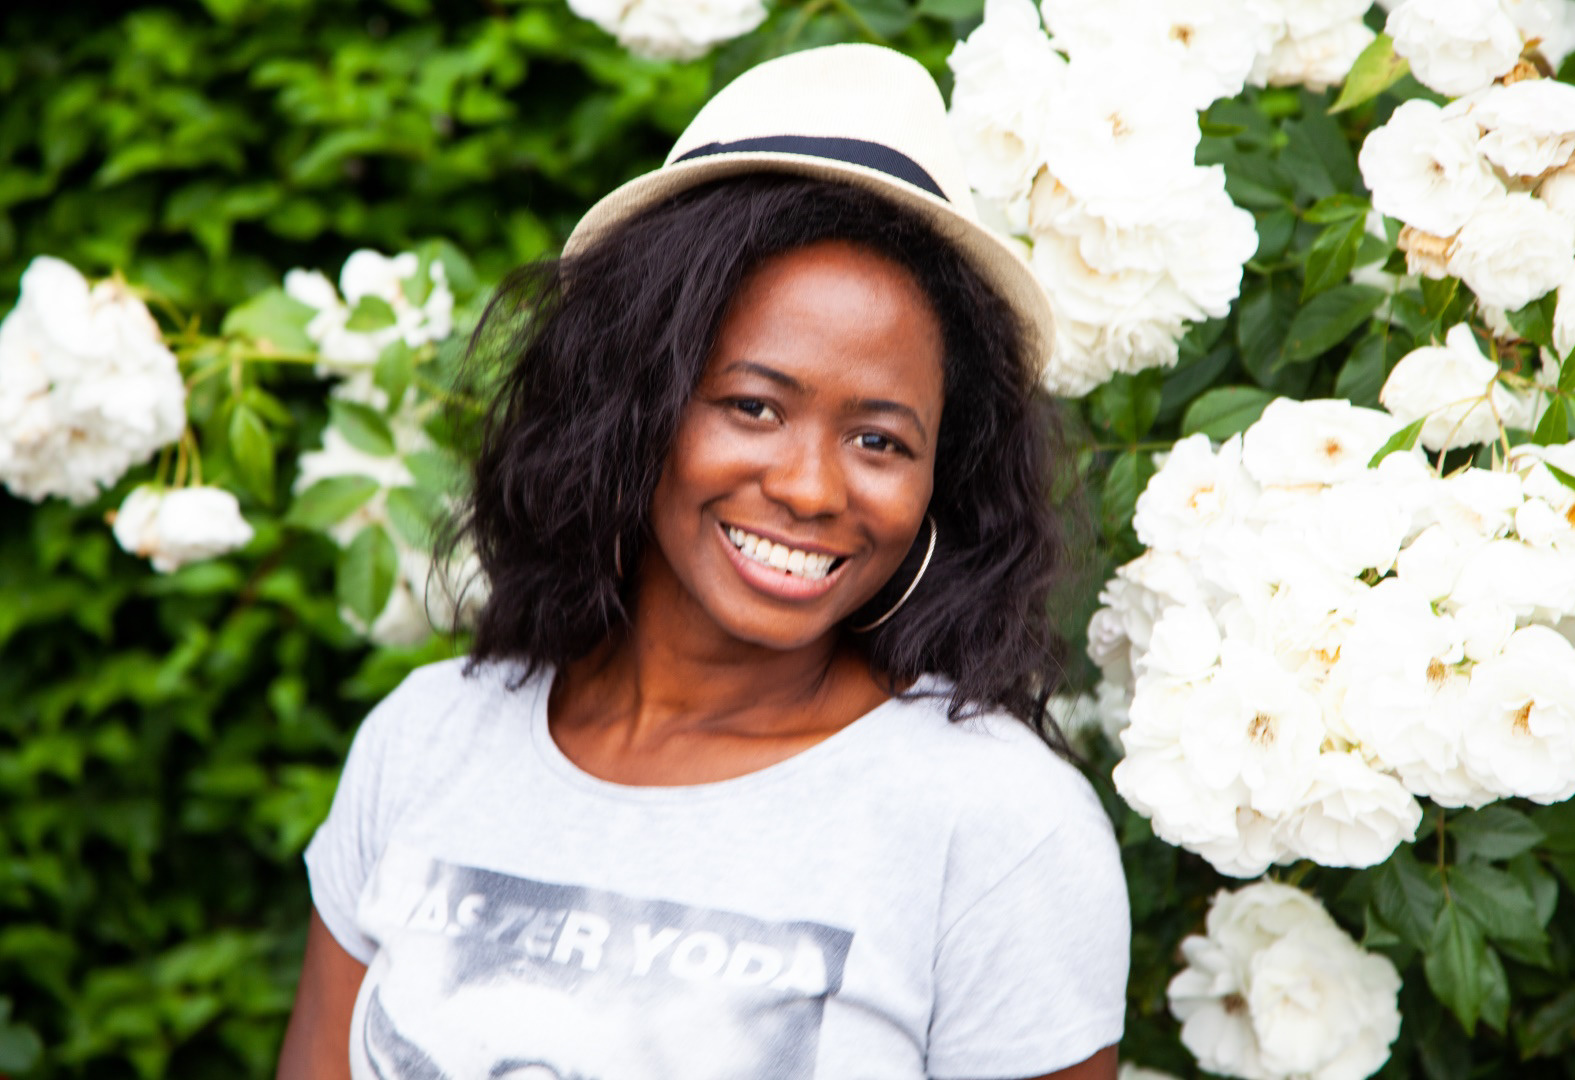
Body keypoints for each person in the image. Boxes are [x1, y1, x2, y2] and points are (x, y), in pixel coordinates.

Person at [278, 43, 1129, 1080]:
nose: (814, 488)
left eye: (880, 440)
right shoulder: (425, 743)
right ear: (627, 412)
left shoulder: (997, 829)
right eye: (754, 406)